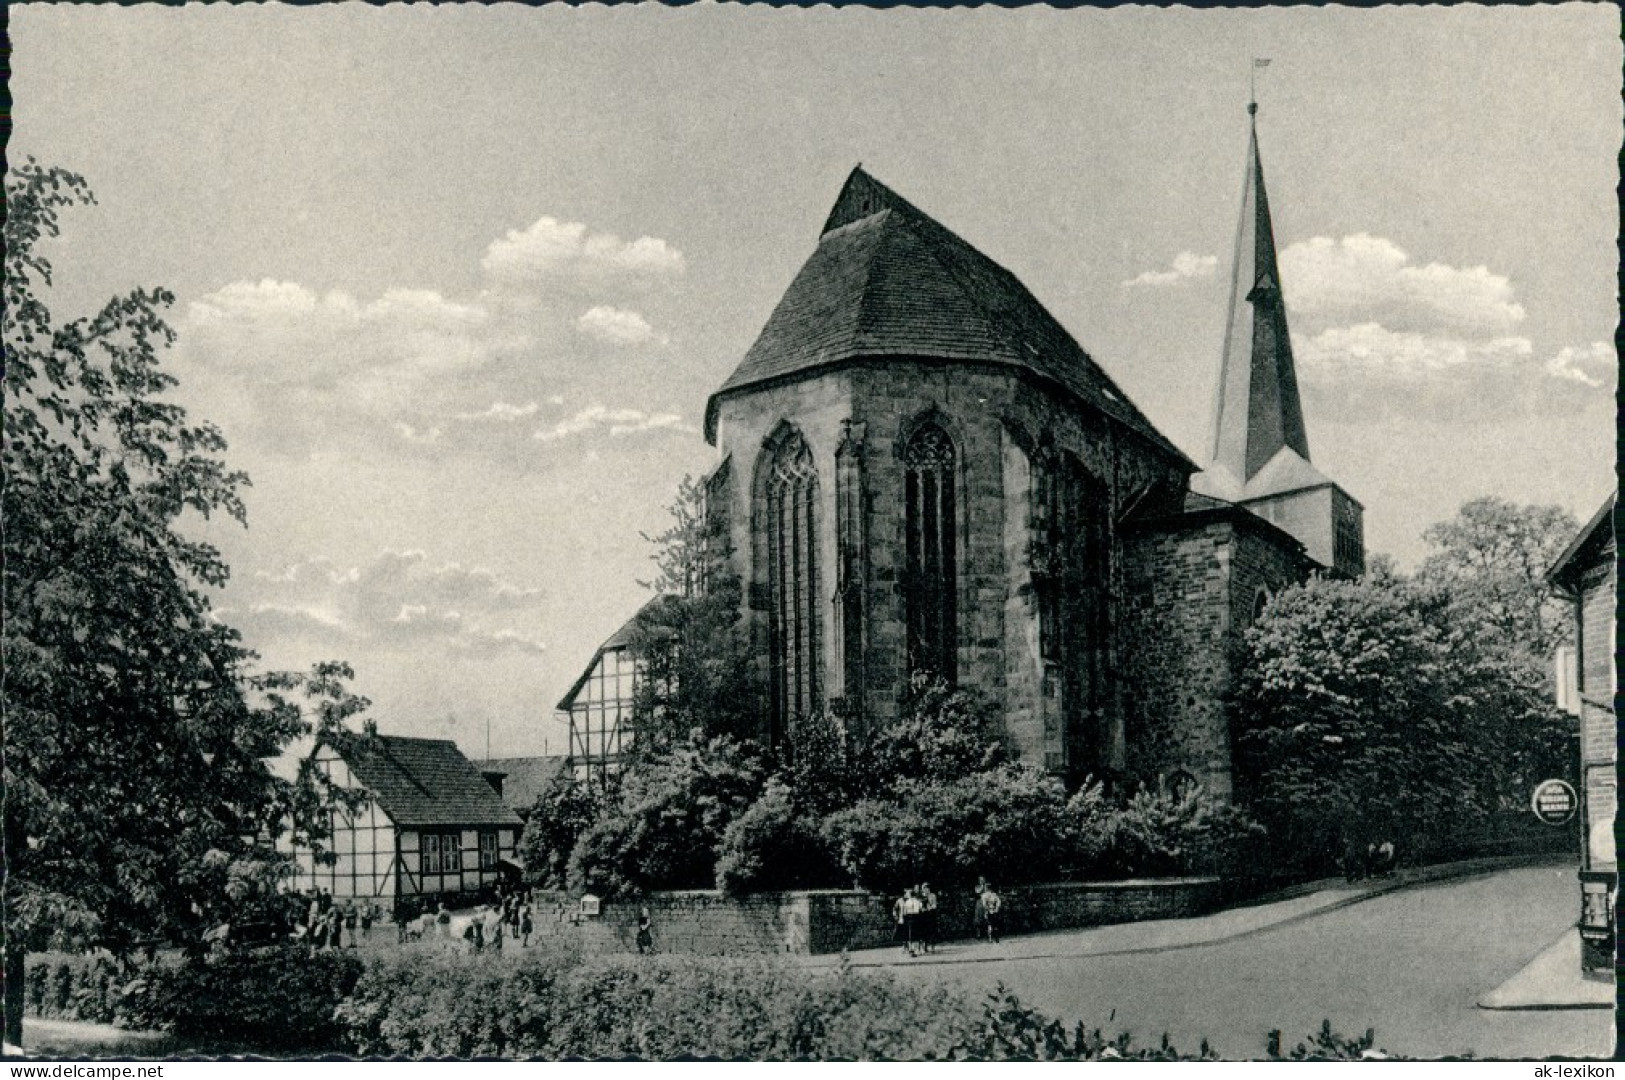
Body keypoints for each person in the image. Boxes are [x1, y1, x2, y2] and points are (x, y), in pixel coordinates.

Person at [918, 882, 938, 955]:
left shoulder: (932, 895)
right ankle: (925, 947)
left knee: (932, 931)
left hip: (930, 915)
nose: (925, 890)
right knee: (924, 931)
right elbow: (919, 905)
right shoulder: (921, 896)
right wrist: (921, 908)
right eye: (923, 888)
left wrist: (930, 907)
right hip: (923, 916)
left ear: (928, 888)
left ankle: (932, 947)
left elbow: (935, 905)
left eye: (926, 888)